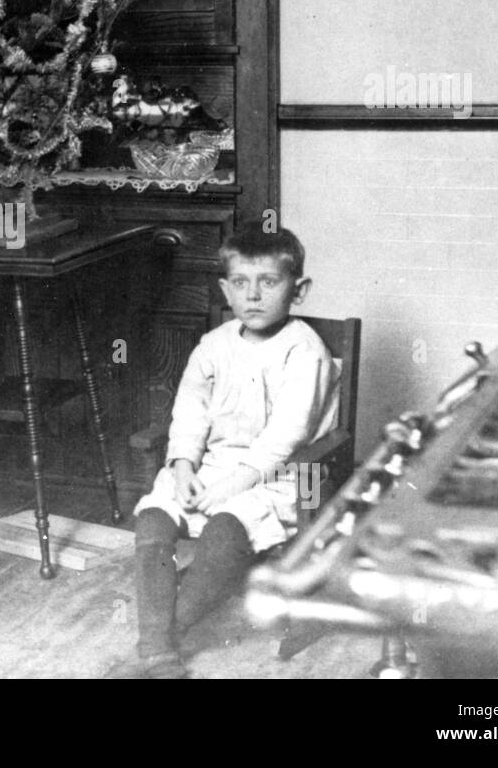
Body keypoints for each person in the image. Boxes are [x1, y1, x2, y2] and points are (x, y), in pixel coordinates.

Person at [117, 223, 340, 678]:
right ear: (225, 289)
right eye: (241, 283)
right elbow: (189, 413)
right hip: (210, 467)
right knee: (155, 516)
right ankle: (159, 644)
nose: (253, 296)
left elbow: (288, 434)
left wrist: (230, 486)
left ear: (299, 291)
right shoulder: (212, 346)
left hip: (281, 475)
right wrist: (182, 467)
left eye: (269, 282)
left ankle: (158, 639)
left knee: (227, 525)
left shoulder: (304, 350)